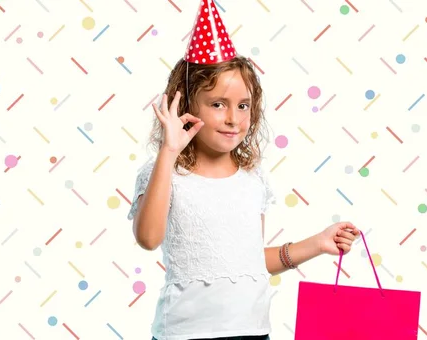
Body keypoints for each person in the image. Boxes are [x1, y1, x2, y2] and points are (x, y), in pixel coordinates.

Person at [127, 1, 360, 339]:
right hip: (186, 334)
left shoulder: (253, 179)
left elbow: (248, 262)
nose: (233, 118)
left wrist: (318, 243)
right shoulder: (164, 172)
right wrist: (168, 151)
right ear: (186, 103)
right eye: (218, 104)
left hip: (252, 331)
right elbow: (148, 239)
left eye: (243, 105)